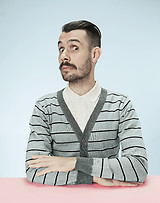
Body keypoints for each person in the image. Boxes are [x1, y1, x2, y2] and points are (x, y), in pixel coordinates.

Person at [25, 20, 148, 187]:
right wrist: (93, 178)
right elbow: (34, 171)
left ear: (94, 54)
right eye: (61, 49)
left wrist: (74, 162)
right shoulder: (45, 107)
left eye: (74, 48)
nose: (64, 56)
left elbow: (138, 168)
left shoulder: (120, 105)